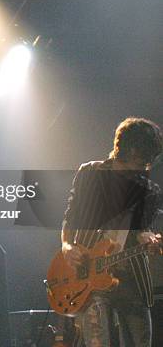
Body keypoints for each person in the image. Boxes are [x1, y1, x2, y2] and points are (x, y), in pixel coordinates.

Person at [62, 117, 162, 347]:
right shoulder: (89, 173)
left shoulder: (149, 190)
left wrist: (149, 238)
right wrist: (67, 246)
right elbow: (71, 216)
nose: (147, 165)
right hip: (90, 274)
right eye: (143, 159)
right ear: (131, 150)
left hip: (131, 277)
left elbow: (143, 229)